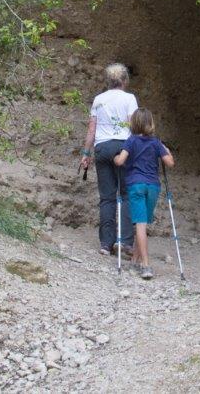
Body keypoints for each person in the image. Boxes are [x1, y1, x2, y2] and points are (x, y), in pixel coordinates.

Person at [79, 63, 137, 256]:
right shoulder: (129, 99)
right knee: (127, 195)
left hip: (102, 148)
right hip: (124, 148)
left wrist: (86, 154)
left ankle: (106, 243)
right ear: (124, 80)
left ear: (108, 81)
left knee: (107, 198)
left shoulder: (98, 100)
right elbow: (133, 126)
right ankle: (126, 243)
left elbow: (91, 130)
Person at [113, 108, 174, 280]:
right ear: (150, 123)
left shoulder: (131, 141)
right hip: (153, 187)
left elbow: (121, 161)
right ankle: (135, 259)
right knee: (144, 223)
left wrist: (115, 158)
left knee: (140, 225)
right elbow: (170, 163)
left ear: (134, 123)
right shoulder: (156, 142)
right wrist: (167, 150)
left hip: (136, 185)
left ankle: (145, 265)